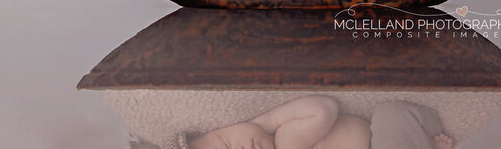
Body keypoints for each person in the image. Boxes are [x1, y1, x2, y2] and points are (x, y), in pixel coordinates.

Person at [180, 95, 453, 149]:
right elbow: (323, 109)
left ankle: (419, 142)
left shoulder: (286, 137)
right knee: (392, 113)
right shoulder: (287, 143)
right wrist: (268, 123)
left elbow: (324, 108)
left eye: (228, 146)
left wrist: (269, 121)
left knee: (391, 113)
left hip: (379, 139)